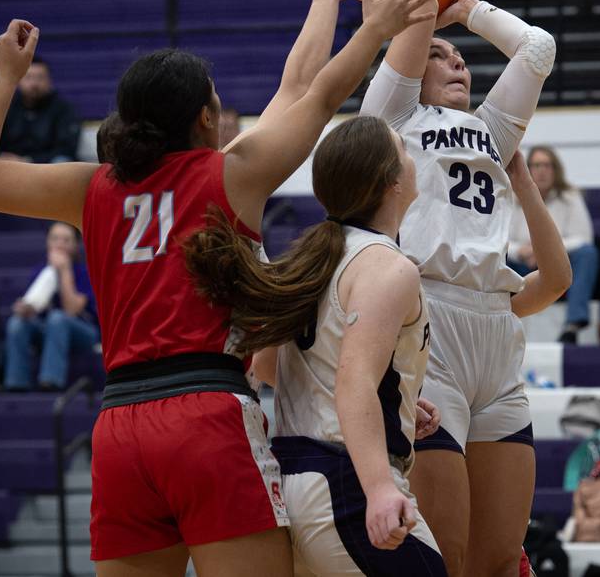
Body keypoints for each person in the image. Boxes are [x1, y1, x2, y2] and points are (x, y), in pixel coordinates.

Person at [0, 0, 435, 576]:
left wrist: (5, 78)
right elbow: (316, 95)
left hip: (120, 427)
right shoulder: (232, 176)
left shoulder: (90, 188)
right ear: (206, 117)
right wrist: (374, 30)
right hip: (206, 414)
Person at [359, 0, 558, 577]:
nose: (458, 63)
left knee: (498, 561)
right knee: (447, 557)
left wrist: (470, 10)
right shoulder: (391, 121)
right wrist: (420, 0)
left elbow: (537, 48)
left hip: (497, 330)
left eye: (462, 56)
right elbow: (415, 22)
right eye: (440, 55)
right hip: (429, 325)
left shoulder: (492, 133)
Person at [185, 116, 448, 575]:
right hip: (345, 481)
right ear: (390, 182)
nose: (412, 158)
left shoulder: (316, 256)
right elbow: (354, 382)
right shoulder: (387, 266)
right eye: (403, 150)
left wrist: (396, 397)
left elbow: (271, 365)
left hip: (297, 483)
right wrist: (380, 488)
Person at [508, 145, 599, 342]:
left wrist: (544, 252)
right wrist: (521, 251)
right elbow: (501, 240)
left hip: (559, 266)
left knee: (588, 254)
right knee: (498, 258)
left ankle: (573, 324)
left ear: (555, 170)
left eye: (547, 165)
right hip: (522, 265)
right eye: (536, 165)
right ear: (528, 168)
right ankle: (502, 319)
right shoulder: (511, 196)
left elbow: (583, 238)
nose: (542, 170)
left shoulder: (570, 197)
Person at [3, 222, 99, 391]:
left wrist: (65, 271)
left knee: (57, 318)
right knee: (17, 322)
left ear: (76, 245)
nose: (60, 244)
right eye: (55, 239)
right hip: (48, 329)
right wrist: (25, 309)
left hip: (84, 331)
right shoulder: (40, 271)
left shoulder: (86, 272)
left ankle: (51, 381)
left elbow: (72, 310)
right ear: (47, 242)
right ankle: (17, 383)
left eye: (66, 240)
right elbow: (36, 306)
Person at [0, 57, 81, 163]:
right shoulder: (6, 108)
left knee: (62, 160)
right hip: (10, 164)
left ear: (49, 81)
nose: (34, 84)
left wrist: (28, 160)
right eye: (28, 77)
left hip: (46, 165)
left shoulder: (63, 109)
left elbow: (67, 148)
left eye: (40, 78)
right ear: (19, 80)